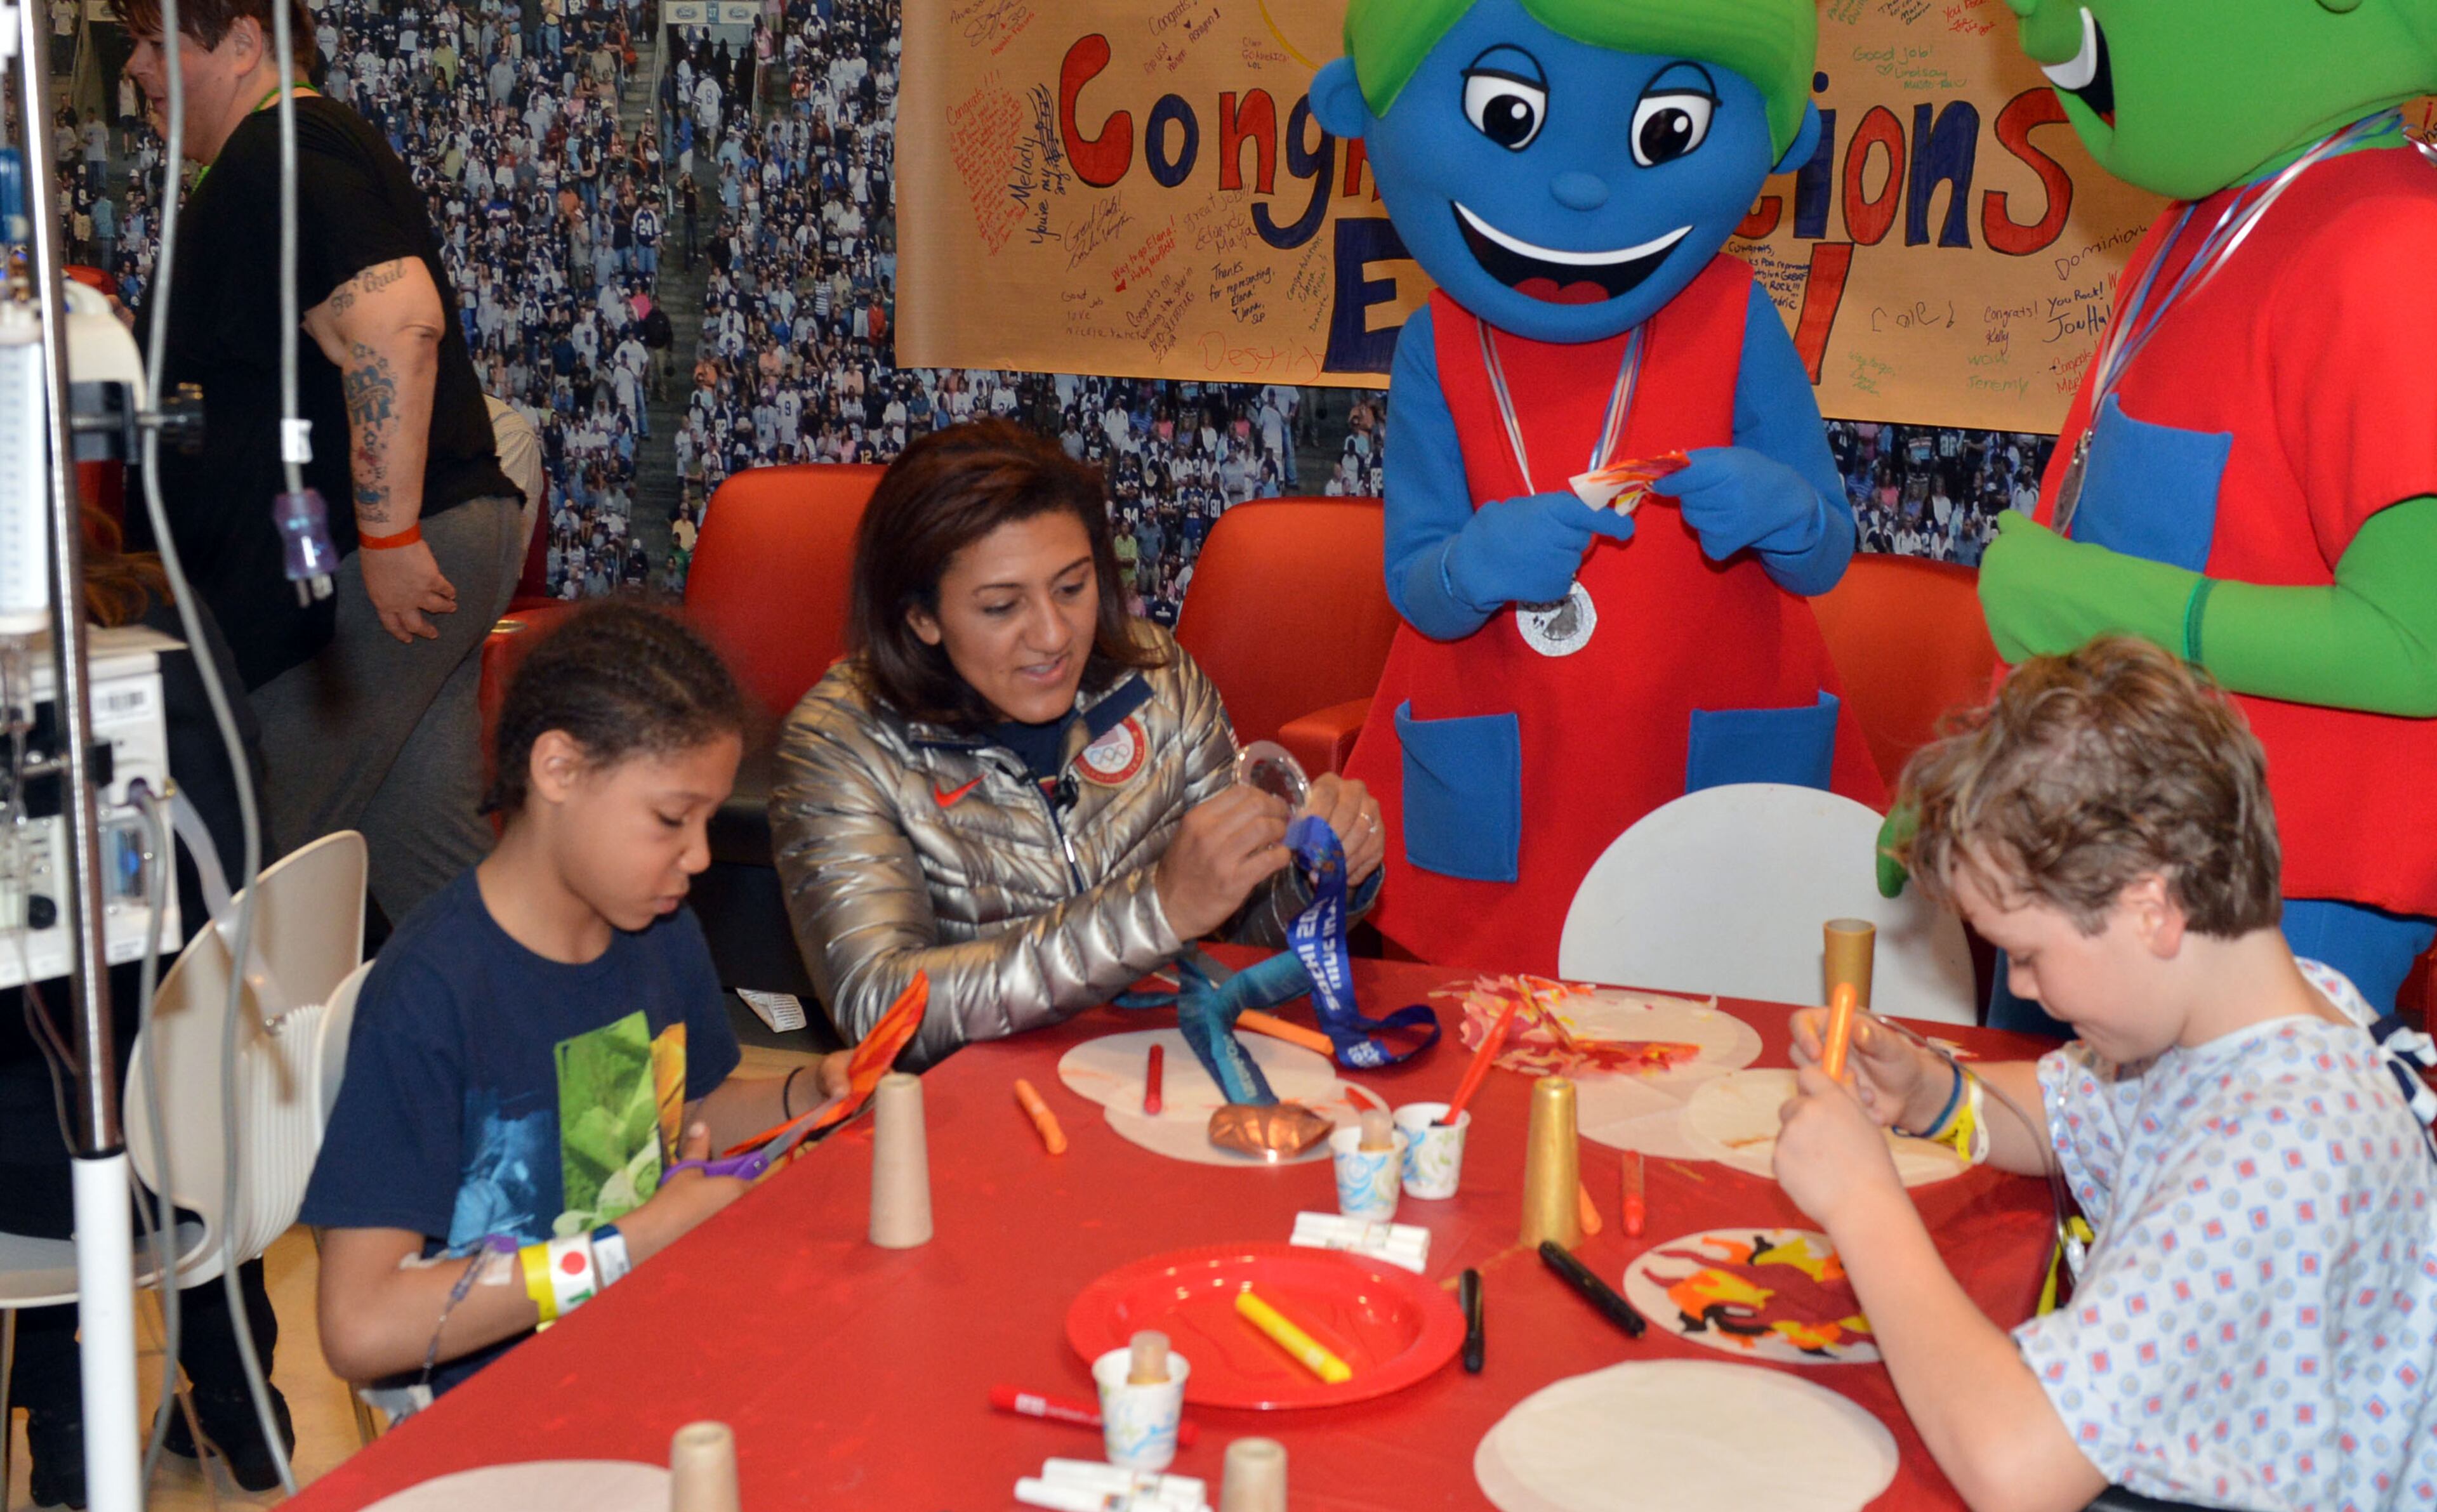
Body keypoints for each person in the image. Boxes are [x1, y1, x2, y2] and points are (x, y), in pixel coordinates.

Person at [1775, 636, 2437, 1510]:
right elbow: (2062, 1115)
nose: (2020, 986)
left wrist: (1863, 1202)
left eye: (2026, 952)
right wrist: (1934, 1093)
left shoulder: (2280, 1153)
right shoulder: (2265, 1016)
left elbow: (2018, 1467)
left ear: (2150, 906)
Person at [1316, 0, 1880, 976]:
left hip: (1702, 760)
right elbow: (1417, 582)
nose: (1579, 185)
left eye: (1666, 133)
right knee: (1497, 1062)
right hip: (1510, 782)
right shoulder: (1437, 345)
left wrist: (1782, 512)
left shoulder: (1736, 320)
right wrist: (1474, 566)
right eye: (1509, 118)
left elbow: (1827, 548)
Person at [1968, 0, 2437, 1015]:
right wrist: (1982, 773)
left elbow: (2419, 638)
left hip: (2274, 893)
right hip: (2100, 859)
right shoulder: (2206, 224)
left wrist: (2106, 605)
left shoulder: (2394, 245)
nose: (2049, 37)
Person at [301, 604, 850, 1416]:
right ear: (557, 769)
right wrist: (634, 1242)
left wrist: (804, 1095)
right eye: (671, 819)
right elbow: (360, 1326)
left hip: (641, 1352)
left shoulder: (654, 932)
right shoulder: (430, 996)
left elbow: (686, 1107)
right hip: (497, 1414)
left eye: (706, 819)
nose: (699, 857)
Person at [769, 421, 1386, 1067]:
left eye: (1072, 587)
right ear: (920, 616)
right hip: (969, 1120)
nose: (1053, 633)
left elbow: (1234, 945)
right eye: (1002, 607)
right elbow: (881, 1012)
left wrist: (1321, 877)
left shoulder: (1157, 678)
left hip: (1159, 1077)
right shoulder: (840, 743)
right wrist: (1156, 909)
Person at [119, 0, 527, 926]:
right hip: (379, 550)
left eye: (155, 44)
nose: (136, 70)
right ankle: (593, 1069)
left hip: (353, 561)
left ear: (243, 43)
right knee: (435, 866)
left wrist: (386, 534)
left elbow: (394, 322)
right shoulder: (281, 155)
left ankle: (262, 1076)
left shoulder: (281, 151)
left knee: (251, 868)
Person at [0, 509, 283, 1507]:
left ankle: (66, 1429)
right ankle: (244, 1402)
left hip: (42, 1186)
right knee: (162, 1044)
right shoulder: (174, 612)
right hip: (217, 1140)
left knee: (36, 1078)